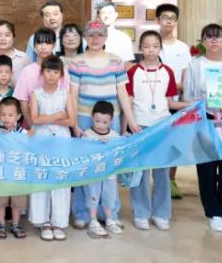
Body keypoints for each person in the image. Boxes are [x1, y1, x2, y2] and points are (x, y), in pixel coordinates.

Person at [67, 20, 140, 229]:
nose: (95, 39)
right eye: (91, 35)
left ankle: (109, 213)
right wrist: (74, 124)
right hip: (84, 120)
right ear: (85, 38)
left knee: (109, 169)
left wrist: (131, 122)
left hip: (111, 121)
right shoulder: (77, 62)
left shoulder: (116, 61)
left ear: (106, 37)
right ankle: (82, 212)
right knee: (85, 168)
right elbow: (72, 95)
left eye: (99, 34)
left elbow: (122, 93)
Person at [182, 24, 222, 232]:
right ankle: (213, 212)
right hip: (205, 121)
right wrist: (210, 103)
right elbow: (188, 99)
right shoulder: (195, 65)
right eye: (209, 37)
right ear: (203, 41)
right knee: (207, 169)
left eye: (217, 37)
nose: (214, 41)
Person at [126, 31, 180, 231]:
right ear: (140, 48)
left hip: (163, 127)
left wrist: (192, 104)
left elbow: (171, 102)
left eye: (155, 46)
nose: (150, 50)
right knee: (140, 172)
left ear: (160, 48)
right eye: (146, 46)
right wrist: (128, 125)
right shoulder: (133, 71)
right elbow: (128, 101)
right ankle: (141, 213)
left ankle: (161, 213)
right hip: (139, 126)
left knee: (162, 173)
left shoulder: (167, 71)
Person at [29, 57, 76, 242]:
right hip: (41, 140)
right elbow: (34, 119)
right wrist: (57, 115)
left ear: (61, 74)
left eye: (55, 72)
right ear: (42, 73)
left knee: (60, 179)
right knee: (42, 178)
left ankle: (58, 222)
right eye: (48, 71)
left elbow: (71, 121)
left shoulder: (66, 93)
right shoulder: (36, 94)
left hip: (62, 140)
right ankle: (44, 222)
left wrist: (47, 118)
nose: (51, 75)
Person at [156, 3, 191, 200]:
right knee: (156, 143)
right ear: (158, 20)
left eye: (172, 18)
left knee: (173, 144)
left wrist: (172, 88)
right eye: (165, 17)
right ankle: (157, 180)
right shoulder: (151, 43)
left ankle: (171, 180)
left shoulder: (182, 48)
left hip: (175, 102)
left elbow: (185, 79)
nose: (168, 21)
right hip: (152, 101)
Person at [83, 101, 124, 238]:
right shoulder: (87, 134)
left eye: (105, 122)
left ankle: (109, 219)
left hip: (110, 174)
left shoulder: (115, 135)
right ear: (92, 118)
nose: (100, 125)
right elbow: (82, 152)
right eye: (97, 121)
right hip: (93, 174)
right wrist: (96, 144)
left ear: (111, 121)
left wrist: (125, 139)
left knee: (109, 196)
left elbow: (119, 152)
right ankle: (93, 221)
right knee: (93, 196)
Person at [13, 28, 69, 126]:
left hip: (58, 125)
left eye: (47, 43)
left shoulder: (62, 69)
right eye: (39, 43)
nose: (43, 47)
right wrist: (31, 124)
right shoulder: (27, 71)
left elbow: (67, 99)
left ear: (54, 45)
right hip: (32, 124)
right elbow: (23, 101)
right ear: (34, 46)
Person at [0, 97, 28, 239]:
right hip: (2, 173)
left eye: (11, 115)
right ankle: (1, 224)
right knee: (1, 202)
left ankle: (15, 224)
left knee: (17, 202)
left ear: (18, 116)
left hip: (18, 173)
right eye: (3, 114)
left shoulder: (23, 132)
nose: (6, 118)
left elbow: (28, 147)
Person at [96, 1, 135, 65]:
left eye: (110, 13)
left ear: (116, 15)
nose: (107, 16)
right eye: (103, 13)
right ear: (98, 16)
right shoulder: (90, 38)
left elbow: (128, 64)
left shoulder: (124, 38)